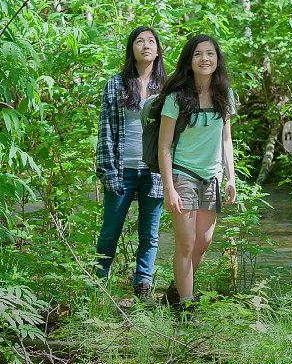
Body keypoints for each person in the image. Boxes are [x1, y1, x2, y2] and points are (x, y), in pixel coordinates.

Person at [157, 34, 237, 324]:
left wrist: (231, 177)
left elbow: (226, 140)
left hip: (213, 176)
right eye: (199, 54)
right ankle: (187, 308)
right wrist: (169, 187)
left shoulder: (224, 94)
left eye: (211, 54)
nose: (206, 59)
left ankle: (175, 292)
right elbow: (164, 146)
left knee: (203, 243)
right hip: (183, 174)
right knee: (187, 243)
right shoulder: (177, 98)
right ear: (189, 61)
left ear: (217, 60)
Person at [94, 26, 167, 307]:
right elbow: (105, 130)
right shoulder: (116, 83)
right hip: (122, 169)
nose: (146, 45)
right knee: (110, 231)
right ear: (132, 48)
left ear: (158, 50)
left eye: (151, 41)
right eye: (140, 41)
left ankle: (143, 288)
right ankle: (97, 287)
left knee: (149, 234)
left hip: (156, 172)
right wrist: (107, 171)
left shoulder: (167, 87)